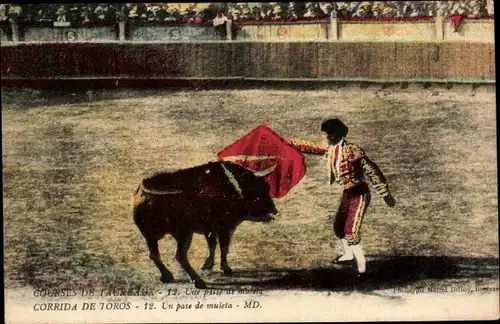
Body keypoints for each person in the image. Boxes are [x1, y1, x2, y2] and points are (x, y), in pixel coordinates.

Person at [288, 118, 396, 275]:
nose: (323, 137)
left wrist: (385, 194)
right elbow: (310, 146)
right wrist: (288, 142)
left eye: (325, 134)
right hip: (348, 193)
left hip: (359, 193)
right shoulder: (331, 147)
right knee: (339, 227)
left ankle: (362, 268)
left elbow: (372, 171)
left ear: (332, 135)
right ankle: (348, 255)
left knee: (350, 230)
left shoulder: (353, 151)